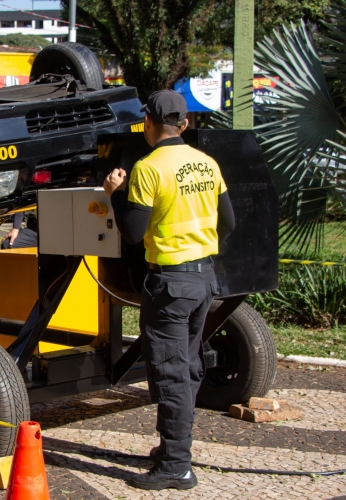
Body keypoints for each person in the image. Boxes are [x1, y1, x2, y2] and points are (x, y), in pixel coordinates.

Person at [103, 90, 236, 491]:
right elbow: (228, 223)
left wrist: (114, 194)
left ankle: (177, 465)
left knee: (170, 372)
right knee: (187, 366)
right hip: (204, 278)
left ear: (147, 123)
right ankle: (171, 450)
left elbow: (132, 232)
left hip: (171, 284)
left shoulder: (148, 168)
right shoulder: (207, 163)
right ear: (184, 123)